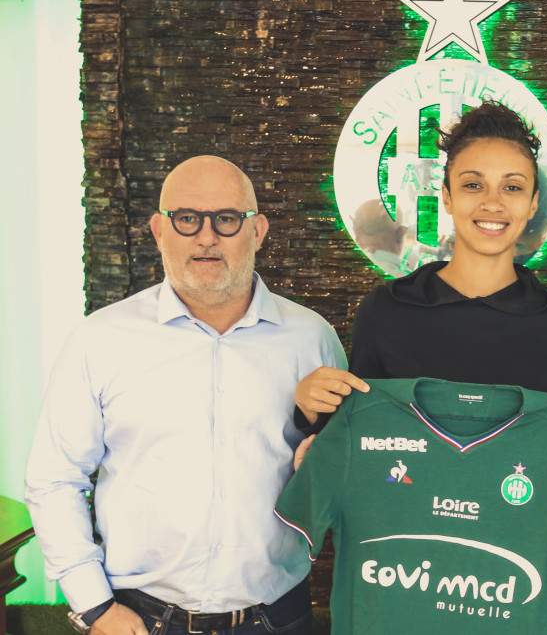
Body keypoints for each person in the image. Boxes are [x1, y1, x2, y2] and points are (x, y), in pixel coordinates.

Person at [25, 156, 346, 635]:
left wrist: (320, 459)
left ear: (258, 231)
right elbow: (55, 479)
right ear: (159, 230)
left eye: (227, 218)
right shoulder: (99, 340)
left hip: (278, 616)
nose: (206, 236)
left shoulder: (311, 338)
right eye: (187, 218)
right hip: (140, 619)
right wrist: (94, 607)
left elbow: (339, 471)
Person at [294, 100, 547, 447]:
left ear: (533, 203)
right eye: (473, 185)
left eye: (512, 187)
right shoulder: (385, 312)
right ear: (446, 196)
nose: (492, 202)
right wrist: (312, 409)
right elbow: (358, 437)